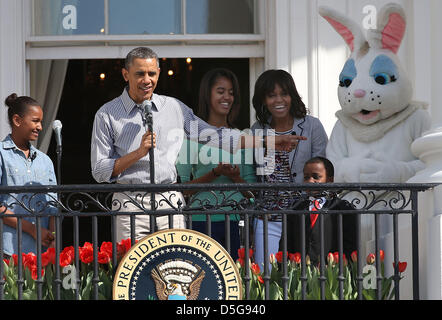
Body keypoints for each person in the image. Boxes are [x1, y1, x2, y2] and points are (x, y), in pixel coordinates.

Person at [90, 47, 304, 242]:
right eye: (140, 74)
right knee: (133, 269)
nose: (147, 80)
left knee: (173, 266)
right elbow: (100, 171)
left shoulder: (172, 107)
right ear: (126, 74)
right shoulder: (107, 114)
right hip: (129, 200)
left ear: (158, 73)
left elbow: (217, 137)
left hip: (168, 198)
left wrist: (269, 140)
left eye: (152, 73)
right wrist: (138, 153)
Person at [250, 69, 328, 268]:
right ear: (263, 100)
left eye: (284, 93)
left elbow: (324, 169)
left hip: (301, 214)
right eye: (271, 95)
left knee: (301, 276)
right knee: (265, 276)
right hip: (267, 216)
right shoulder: (257, 129)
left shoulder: (312, 126)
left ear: (292, 96)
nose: (279, 100)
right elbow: (253, 174)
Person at [176, 68, 256, 260]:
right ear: (207, 95)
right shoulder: (191, 138)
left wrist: (235, 177)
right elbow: (181, 190)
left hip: (235, 222)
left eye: (231, 93)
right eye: (221, 91)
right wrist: (214, 173)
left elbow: (253, 193)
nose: (227, 97)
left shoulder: (242, 138)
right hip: (200, 221)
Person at [0, 93, 57, 258]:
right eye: (35, 120)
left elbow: (53, 205)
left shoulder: (45, 161)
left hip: (42, 253)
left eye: (41, 121)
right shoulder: (2, 154)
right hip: (9, 251)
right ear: (17, 120)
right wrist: (33, 229)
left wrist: (52, 239)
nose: (40, 126)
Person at [279, 156, 357, 265]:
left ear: (330, 180)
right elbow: (286, 244)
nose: (310, 181)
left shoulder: (342, 208)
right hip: (301, 273)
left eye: (316, 177)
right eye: (306, 177)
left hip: (331, 272)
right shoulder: (295, 208)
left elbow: (350, 245)